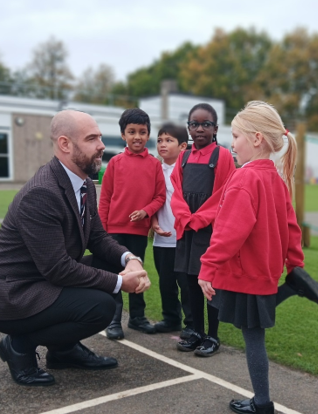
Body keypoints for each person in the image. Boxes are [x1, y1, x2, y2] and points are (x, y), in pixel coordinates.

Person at [0, 110, 150, 387]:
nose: (101, 145)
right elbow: (57, 269)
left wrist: (130, 259)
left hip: (41, 278)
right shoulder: (42, 193)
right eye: (92, 139)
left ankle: (63, 351)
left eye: (100, 137)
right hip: (13, 292)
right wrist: (119, 282)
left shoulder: (85, 182)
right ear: (65, 144)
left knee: (110, 263)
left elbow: (98, 239)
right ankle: (18, 346)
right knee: (101, 306)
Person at [198, 101, 318, 414]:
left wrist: (207, 267)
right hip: (265, 270)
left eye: (236, 136)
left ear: (257, 139)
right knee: (253, 320)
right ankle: (294, 286)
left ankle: (262, 402)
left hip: (247, 271)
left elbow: (229, 232)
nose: (232, 143)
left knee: (251, 333)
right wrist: (294, 264)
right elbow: (291, 226)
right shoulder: (275, 177)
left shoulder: (245, 178)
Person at [171, 103, 236, 356]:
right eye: (194, 124)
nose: (199, 129)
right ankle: (196, 331)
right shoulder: (183, 156)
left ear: (215, 128)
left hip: (209, 230)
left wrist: (200, 218)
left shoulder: (222, 156)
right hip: (186, 229)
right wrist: (185, 216)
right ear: (188, 127)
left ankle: (212, 335)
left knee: (209, 282)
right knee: (188, 281)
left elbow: (223, 194)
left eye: (205, 124)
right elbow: (176, 190)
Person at [98, 108, 166, 340]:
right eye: (132, 132)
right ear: (123, 134)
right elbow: (105, 198)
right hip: (113, 232)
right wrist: (102, 232)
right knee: (116, 277)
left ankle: (137, 318)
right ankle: (114, 321)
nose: (137, 136)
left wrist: (146, 212)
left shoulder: (155, 165)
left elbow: (160, 197)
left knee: (137, 275)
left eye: (142, 132)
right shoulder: (115, 163)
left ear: (148, 135)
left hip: (138, 232)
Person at [150, 123, 194, 334]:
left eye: (169, 140)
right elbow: (153, 200)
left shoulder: (189, 171)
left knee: (186, 284)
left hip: (183, 238)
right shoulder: (155, 170)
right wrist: (152, 222)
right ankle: (171, 319)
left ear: (183, 146)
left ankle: (192, 324)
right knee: (166, 283)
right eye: (159, 140)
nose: (162, 144)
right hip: (162, 238)